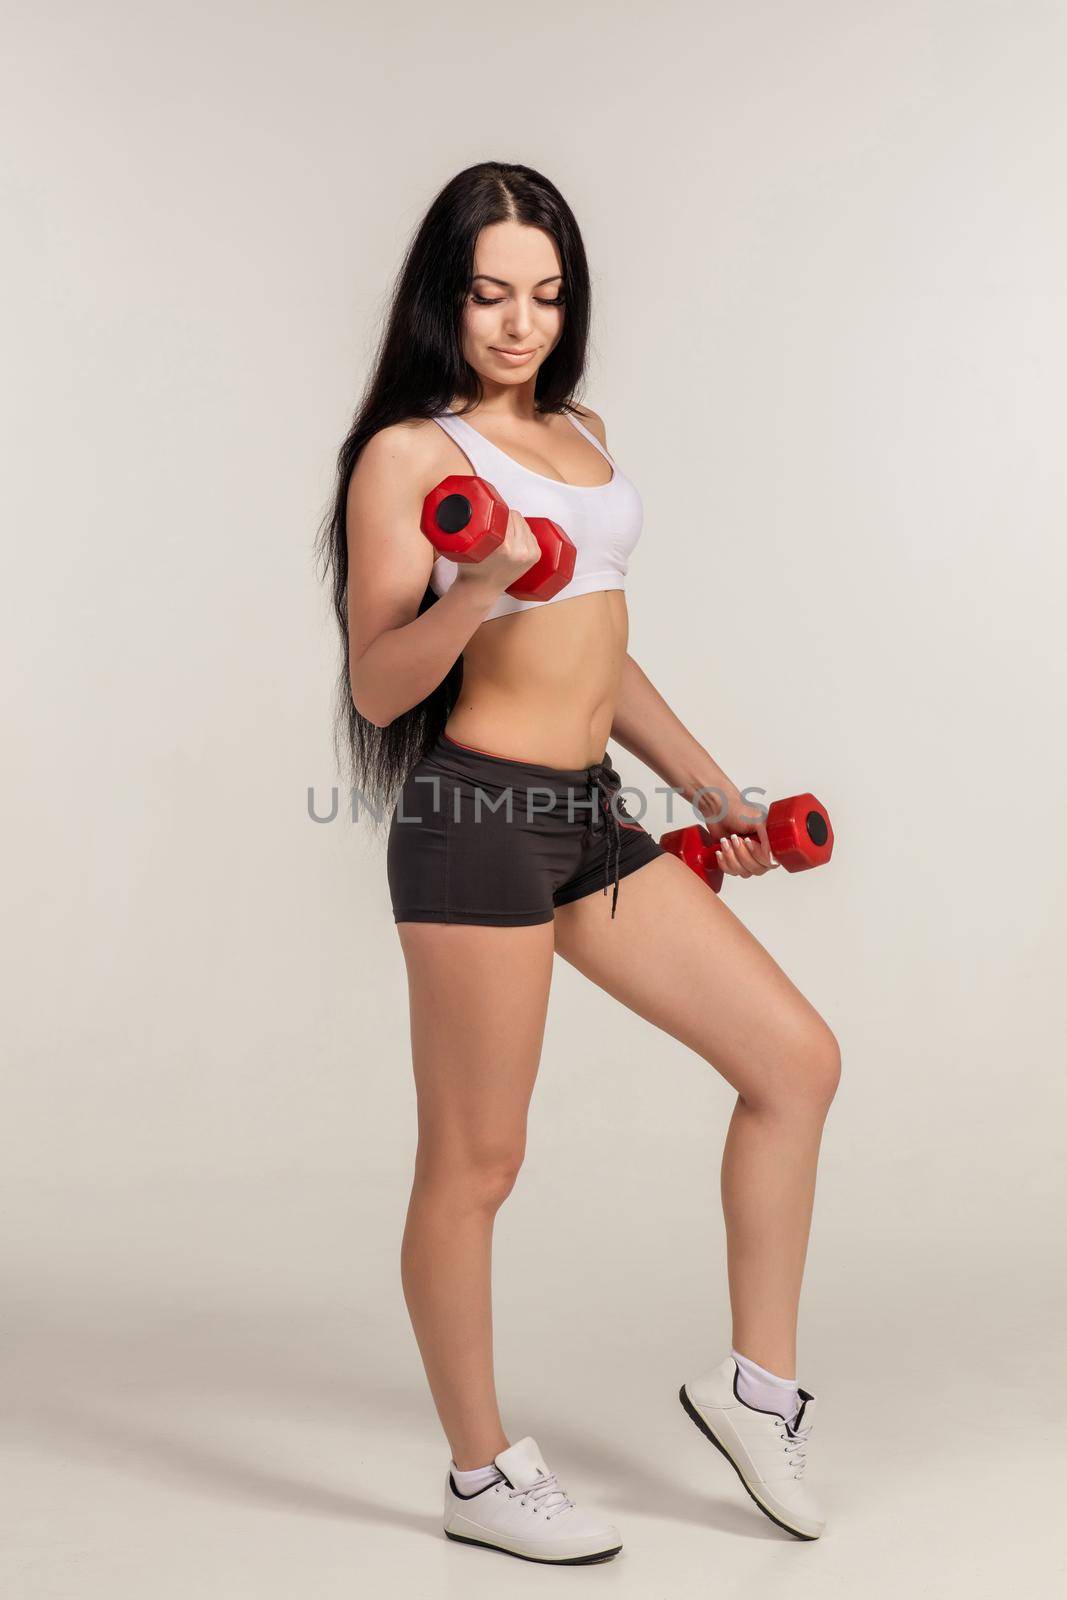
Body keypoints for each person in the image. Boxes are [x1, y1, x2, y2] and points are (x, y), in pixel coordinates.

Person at [316, 161, 840, 1564]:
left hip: (592, 817)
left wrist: (717, 790)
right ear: (447, 295)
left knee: (794, 1061)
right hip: (475, 818)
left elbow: (604, 655)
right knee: (478, 1164)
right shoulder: (410, 460)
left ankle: (758, 1394)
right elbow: (376, 688)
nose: (519, 323)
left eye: (545, 295)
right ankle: (481, 1476)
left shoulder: (582, 434)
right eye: (490, 294)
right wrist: (480, 582)